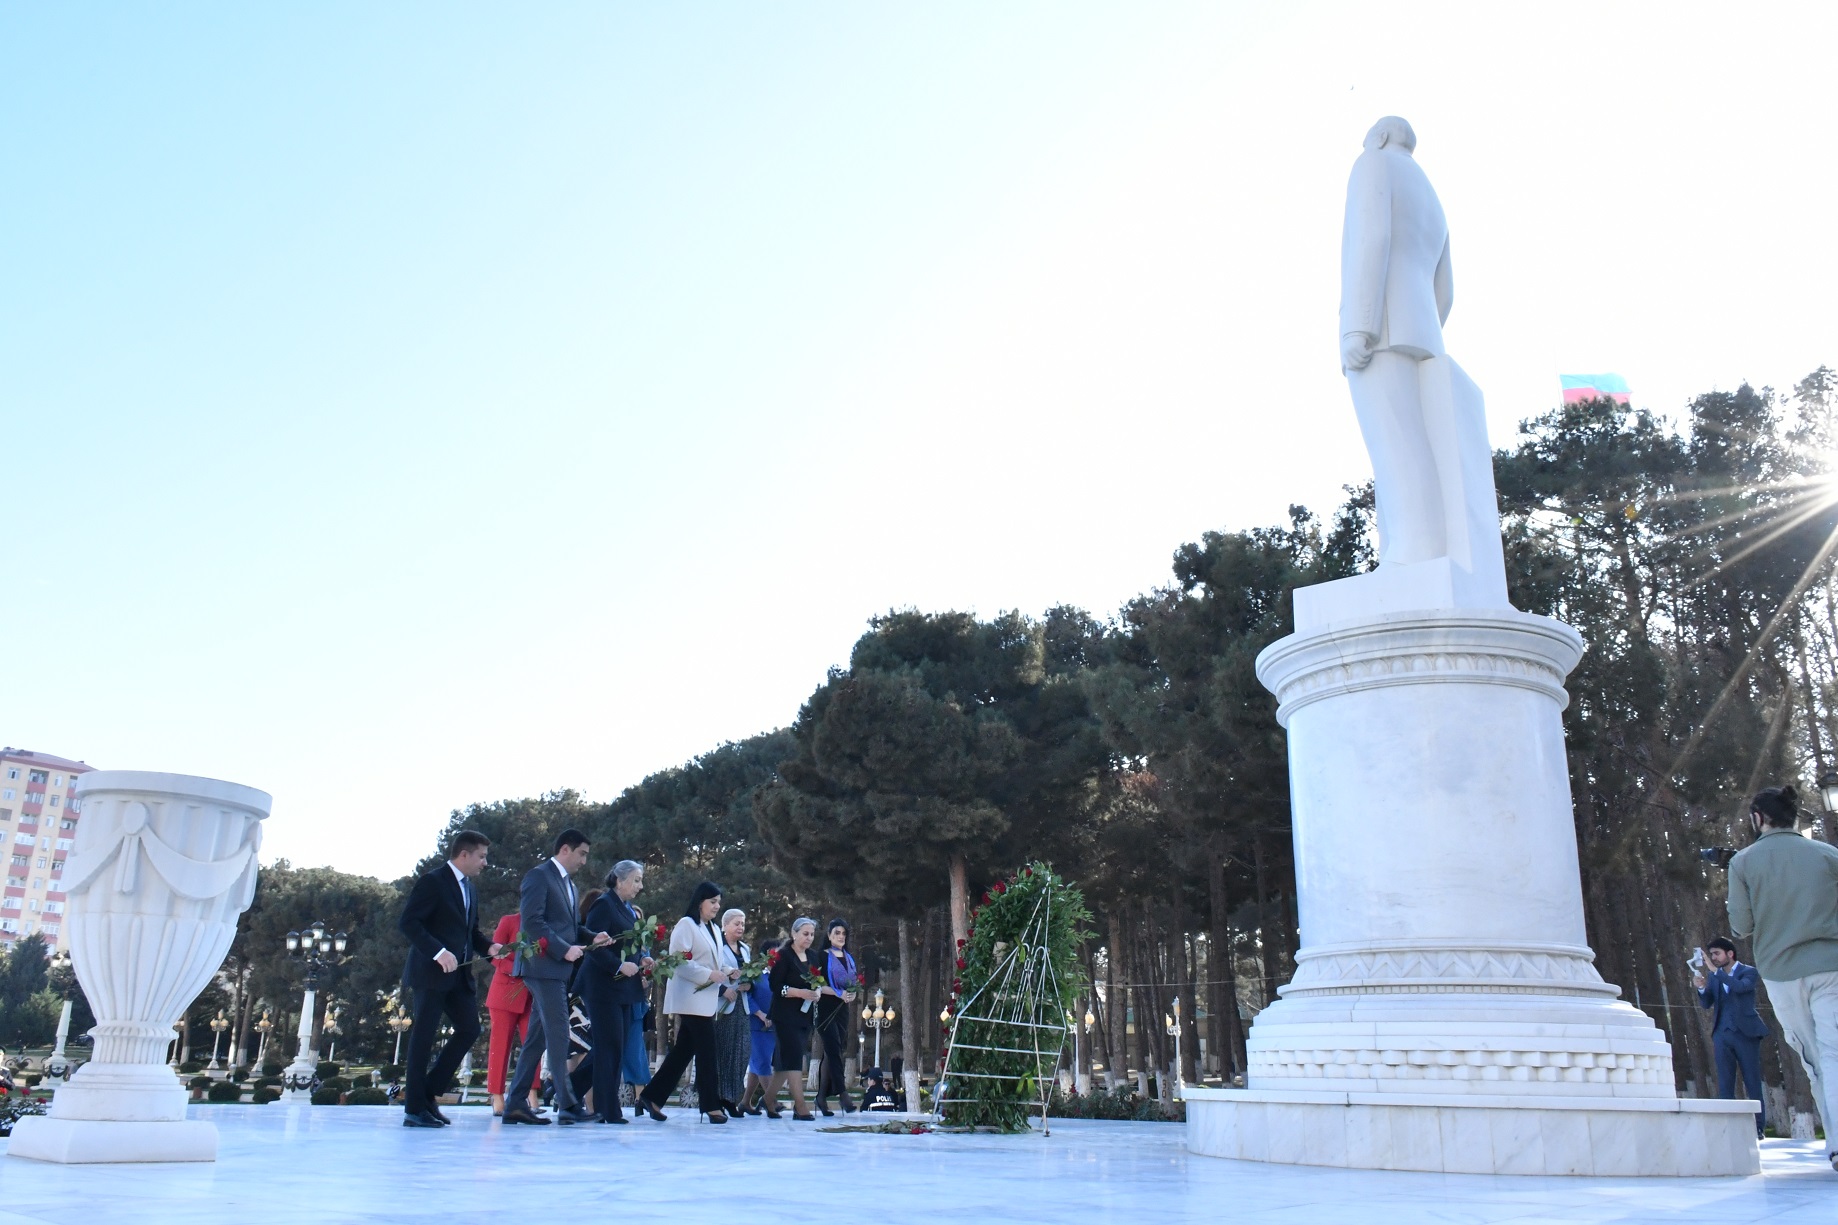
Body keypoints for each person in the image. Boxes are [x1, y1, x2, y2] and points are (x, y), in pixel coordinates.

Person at [1727, 784, 1838, 1170]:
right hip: (1831, 967)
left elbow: (1741, 926)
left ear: (1758, 818)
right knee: (1834, 1052)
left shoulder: (1742, 863)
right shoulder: (1828, 855)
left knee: (1814, 1060)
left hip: (1782, 973)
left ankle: (1836, 1145)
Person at [502, 829, 608, 1126]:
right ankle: (568, 1104)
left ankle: (515, 1104)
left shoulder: (569, 886)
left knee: (536, 1039)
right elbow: (532, 922)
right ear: (565, 849)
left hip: (555, 970)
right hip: (541, 967)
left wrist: (592, 937)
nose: (584, 861)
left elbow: (569, 928)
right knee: (560, 1033)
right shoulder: (538, 876)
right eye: (582, 854)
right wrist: (563, 950)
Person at [396, 830, 501, 1128]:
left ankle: (428, 1092)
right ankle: (414, 1110)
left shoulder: (470, 889)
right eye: (481, 856)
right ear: (464, 854)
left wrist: (490, 948)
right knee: (423, 1037)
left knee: (470, 1029)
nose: (485, 863)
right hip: (430, 973)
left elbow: (471, 933)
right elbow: (409, 923)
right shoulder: (433, 881)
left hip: (459, 975)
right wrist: (438, 952)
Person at [635, 881, 736, 1124]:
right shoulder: (686, 925)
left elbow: (713, 961)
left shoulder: (713, 928)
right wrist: (709, 975)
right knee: (707, 1051)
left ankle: (651, 1097)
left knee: (682, 1053)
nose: (717, 906)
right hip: (690, 998)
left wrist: (727, 970)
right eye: (713, 902)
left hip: (705, 999)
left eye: (719, 903)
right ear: (700, 902)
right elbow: (679, 962)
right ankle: (711, 1105)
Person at [577, 859, 653, 1124]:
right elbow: (594, 946)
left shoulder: (628, 909)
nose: (640, 886)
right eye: (636, 880)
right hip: (602, 987)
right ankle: (606, 1109)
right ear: (619, 881)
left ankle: (568, 1090)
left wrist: (641, 959)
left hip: (623, 988)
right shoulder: (604, 904)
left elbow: (628, 947)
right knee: (609, 1047)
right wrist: (619, 966)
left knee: (613, 1047)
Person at [1694, 936, 1768, 1137]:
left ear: (1730, 953)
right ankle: (1728, 1128)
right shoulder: (1715, 976)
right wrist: (1701, 988)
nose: (1713, 958)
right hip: (1721, 1034)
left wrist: (1715, 972)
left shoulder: (1748, 972)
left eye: (1716, 954)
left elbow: (1741, 987)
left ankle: (1758, 1126)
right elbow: (1707, 1003)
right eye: (1711, 955)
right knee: (1725, 1082)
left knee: (1752, 1081)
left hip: (1746, 1033)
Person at [765, 916, 823, 1121]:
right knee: (794, 1058)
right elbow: (775, 986)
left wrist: (816, 992)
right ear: (794, 933)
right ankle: (800, 1106)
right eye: (805, 934)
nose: (809, 938)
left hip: (804, 1016)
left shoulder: (813, 956)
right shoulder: (783, 955)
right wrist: (799, 992)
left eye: (812, 934)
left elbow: (817, 980)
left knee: (785, 1062)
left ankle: (767, 1099)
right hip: (784, 1015)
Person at [484, 909, 540, 1117]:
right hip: (505, 992)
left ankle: (532, 1095)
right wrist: (516, 968)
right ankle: (497, 1095)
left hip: (532, 994)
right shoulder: (509, 921)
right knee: (500, 1046)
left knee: (532, 1045)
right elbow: (494, 955)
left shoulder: (543, 925)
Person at [814, 917, 860, 1115]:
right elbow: (816, 984)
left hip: (842, 1010)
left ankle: (820, 1098)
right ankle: (843, 1094)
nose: (841, 937)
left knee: (832, 1052)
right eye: (837, 933)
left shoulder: (849, 958)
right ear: (829, 935)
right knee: (833, 1051)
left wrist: (852, 994)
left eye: (843, 933)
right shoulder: (821, 956)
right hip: (825, 1008)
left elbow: (853, 983)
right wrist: (837, 992)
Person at [713, 908, 753, 1117]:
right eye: (736, 923)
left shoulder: (745, 949)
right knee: (724, 1052)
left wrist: (749, 985)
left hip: (741, 1005)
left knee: (742, 1051)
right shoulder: (717, 946)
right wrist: (723, 990)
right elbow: (711, 973)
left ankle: (732, 1097)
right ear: (725, 925)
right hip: (723, 1006)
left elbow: (751, 974)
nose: (740, 927)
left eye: (743, 924)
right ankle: (719, 1098)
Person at [741, 939, 780, 1115]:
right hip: (755, 1026)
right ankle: (772, 1102)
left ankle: (745, 1102)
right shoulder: (755, 975)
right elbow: (747, 997)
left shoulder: (780, 976)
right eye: (773, 953)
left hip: (773, 1028)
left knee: (757, 1065)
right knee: (762, 1062)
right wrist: (759, 1014)